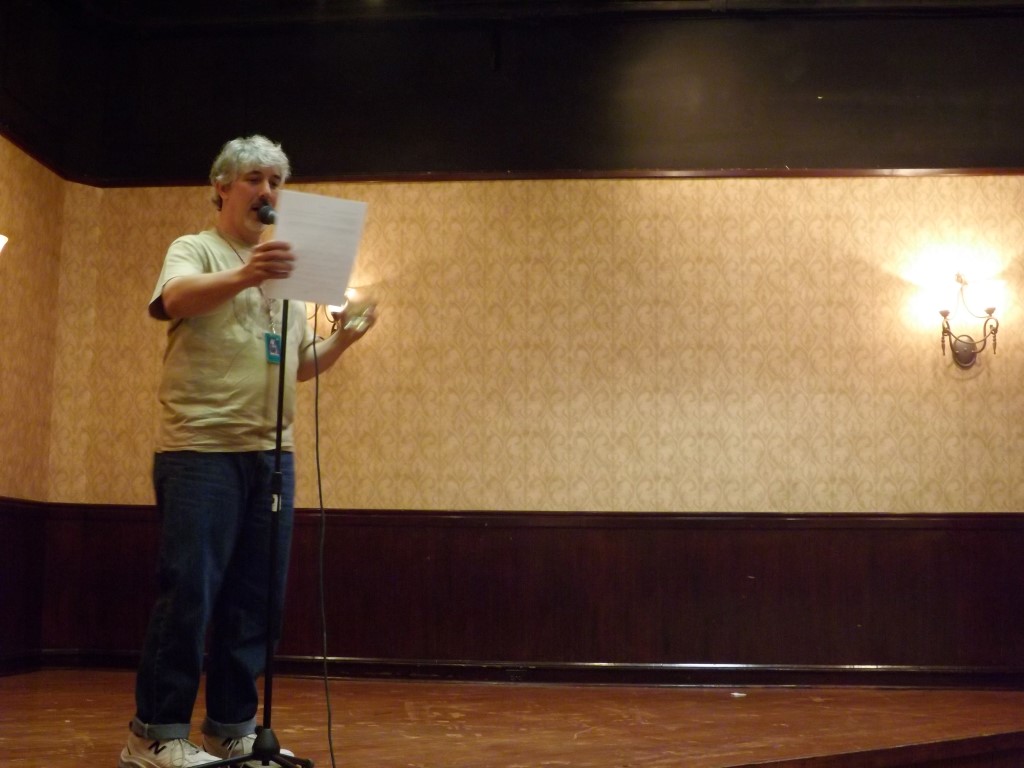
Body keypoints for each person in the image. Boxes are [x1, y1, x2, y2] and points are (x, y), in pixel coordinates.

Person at [119, 135, 374, 768]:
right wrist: (248, 273)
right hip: (201, 450)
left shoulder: (288, 274)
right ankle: (154, 735)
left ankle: (230, 727)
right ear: (222, 186)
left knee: (254, 601)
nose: (267, 191)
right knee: (190, 594)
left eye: (276, 182)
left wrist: (345, 339)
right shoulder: (195, 248)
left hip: (273, 456)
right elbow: (173, 300)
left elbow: (296, 365)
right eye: (255, 178)